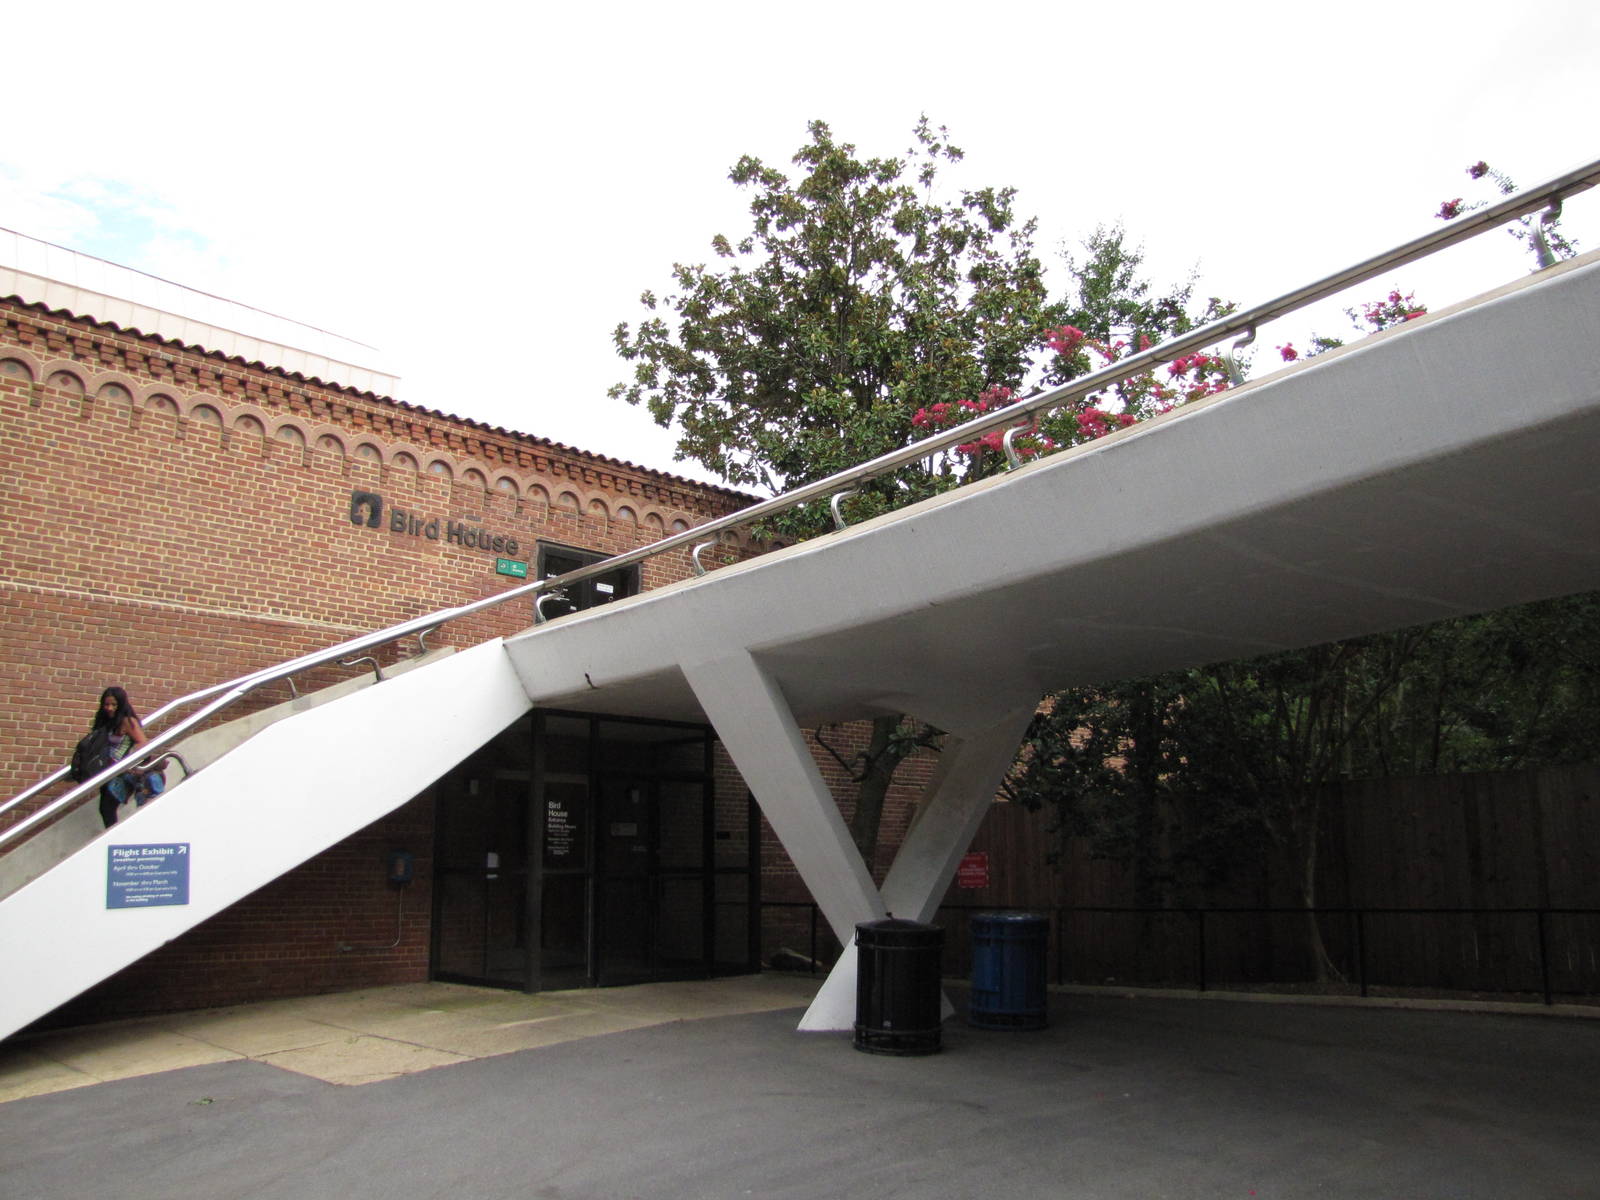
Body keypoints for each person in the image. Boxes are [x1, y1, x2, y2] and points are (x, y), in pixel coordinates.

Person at [92, 686, 151, 828]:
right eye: (106, 704)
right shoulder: (105, 720)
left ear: (121, 704)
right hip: (106, 769)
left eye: (114, 704)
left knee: (107, 807)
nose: (109, 708)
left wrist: (127, 763)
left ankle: (112, 836)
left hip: (120, 772)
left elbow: (142, 743)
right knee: (105, 807)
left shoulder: (127, 721)